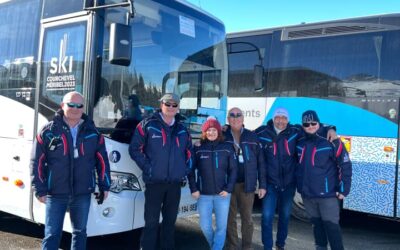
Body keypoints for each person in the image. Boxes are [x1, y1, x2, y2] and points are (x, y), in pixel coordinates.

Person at [30, 91, 111, 250]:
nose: (75, 108)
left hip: (82, 193)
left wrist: (105, 185)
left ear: (83, 107)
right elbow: (36, 162)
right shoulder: (48, 131)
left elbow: (102, 161)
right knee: (52, 234)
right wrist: (39, 189)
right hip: (56, 192)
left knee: (80, 232)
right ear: (62, 106)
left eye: (79, 105)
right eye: (71, 105)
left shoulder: (93, 132)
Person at [255, 107, 338, 250]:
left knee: (285, 216)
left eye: (284, 118)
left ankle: (280, 245)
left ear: (288, 120)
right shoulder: (262, 132)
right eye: (278, 117)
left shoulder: (295, 131)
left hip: (288, 184)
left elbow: (313, 126)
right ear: (273, 118)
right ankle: (267, 247)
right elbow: (245, 136)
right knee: (267, 217)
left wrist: (331, 128)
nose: (280, 121)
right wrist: (226, 129)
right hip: (270, 184)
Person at [129, 93, 192, 250]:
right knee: (151, 222)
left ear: (178, 108)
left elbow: (189, 153)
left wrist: (184, 170)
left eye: (174, 105)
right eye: (167, 104)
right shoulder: (147, 125)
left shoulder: (183, 130)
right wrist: (149, 168)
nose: (171, 107)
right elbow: (134, 149)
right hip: (154, 183)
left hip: (174, 184)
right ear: (161, 105)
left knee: (170, 223)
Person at [296, 110, 352, 250]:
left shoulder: (331, 140)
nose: (310, 126)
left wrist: (344, 189)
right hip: (308, 195)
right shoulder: (300, 141)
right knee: (317, 227)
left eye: (313, 123)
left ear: (318, 122)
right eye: (306, 124)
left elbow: (345, 164)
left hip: (327, 195)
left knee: (332, 228)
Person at [188, 117, 238, 250]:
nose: (211, 132)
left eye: (214, 130)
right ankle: (215, 246)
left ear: (218, 132)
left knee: (221, 227)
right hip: (203, 195)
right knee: (205, 226)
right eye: (209, 130)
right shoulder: (198, 148)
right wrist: (194, 188)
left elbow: (233, 170)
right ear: (204, 132)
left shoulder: (227, 148)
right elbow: (190, 170)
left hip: (222, 195)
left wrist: (228, 189)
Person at [224, 107, 267, 250]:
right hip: (228, 186)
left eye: (238, 115)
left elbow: (261, 163)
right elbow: (209, 143)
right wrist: (200, 142)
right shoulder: (223, 136)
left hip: (247, 185)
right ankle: (232, 246)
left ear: (243, 119)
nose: (235, 118)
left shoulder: (252, 136)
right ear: (228, 119)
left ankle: (247, 247)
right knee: (229, 219)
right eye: (232, 115)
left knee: (247, 219)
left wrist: (262, 185)